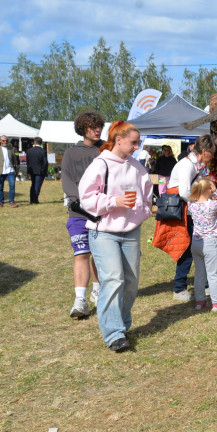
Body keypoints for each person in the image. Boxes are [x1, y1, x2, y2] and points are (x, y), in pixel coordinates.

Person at [77, 121, 151, 352]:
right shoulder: (101, 164)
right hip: (104, 232)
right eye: (133, 142)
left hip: (130, 231)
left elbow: (147, 195)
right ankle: (114, 334)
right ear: (118, 140)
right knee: (113, 279)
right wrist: (113, 202)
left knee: (130, 282)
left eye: (138, 143)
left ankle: (121, 324)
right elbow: (86, 198)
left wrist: (142, 212)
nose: (137, 147)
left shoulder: (136, 166)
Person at [153, 134, 217, 301]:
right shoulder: (187, 166)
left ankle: (204, 284)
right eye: (212, 153)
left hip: (188, 211)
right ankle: (179, 288)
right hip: (183, 212)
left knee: (196, 247)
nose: (213, 156)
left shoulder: (194, 165)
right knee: (187, 248)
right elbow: (184, 192)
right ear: (204, 151)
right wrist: (201, 206)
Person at [61, 112, 105, 318]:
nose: (97, 130)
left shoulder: (107, 150)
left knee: (100, 253)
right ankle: (80, 300)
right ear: (82, 129)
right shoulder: (71, 153)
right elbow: (67, 179)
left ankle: (98, 291)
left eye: (99, 126)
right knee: (82, 253)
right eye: (92, 127)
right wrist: (80, 201)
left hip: (103, 210)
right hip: (78, 212)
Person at [186, 177, 217, 312]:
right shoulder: (211, 204)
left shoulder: (192, 205)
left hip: (196, 242)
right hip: (210, 243)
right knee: (213, 274)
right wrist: (216, 191)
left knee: (199, 273)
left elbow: (191, 198)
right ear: (208, 190)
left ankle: (200, 301)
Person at [0, 135, 19, 207]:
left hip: (10, 170)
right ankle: (0, 202)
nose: (5, 142)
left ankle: (11, 201)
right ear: (0, 141)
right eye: (3, 140)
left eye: (6, 140)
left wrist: (17, 170)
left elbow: (16, 160)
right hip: (0, 171)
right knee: (0, 187)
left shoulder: (12, 149)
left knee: (12, 186)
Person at [25, 137, 49, 204]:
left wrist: (28, 169)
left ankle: (31, 199)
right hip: (40, 170)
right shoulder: (43, 151)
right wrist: (44, 170)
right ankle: (35, 199)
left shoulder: (29, 150)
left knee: (33, 184)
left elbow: (27, 161)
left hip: (32, 170)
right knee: (37, 185)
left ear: (35, 142)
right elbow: (45, 162)